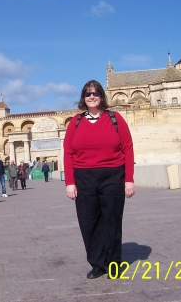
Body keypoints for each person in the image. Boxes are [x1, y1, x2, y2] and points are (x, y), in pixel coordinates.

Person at [63, 79, 135, 280]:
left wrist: (129, 179)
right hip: (84, 177)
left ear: (102, 96)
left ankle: (113, 264)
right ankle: (97, 263)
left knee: (111, 220)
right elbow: (68, 152)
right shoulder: (76, 122)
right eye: (87, 93)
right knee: (89, 222)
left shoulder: (115, 118)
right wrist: (70, 182)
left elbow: (127, 148)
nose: (91, 96)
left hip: (112, 175)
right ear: (83, 98)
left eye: (95, 93)